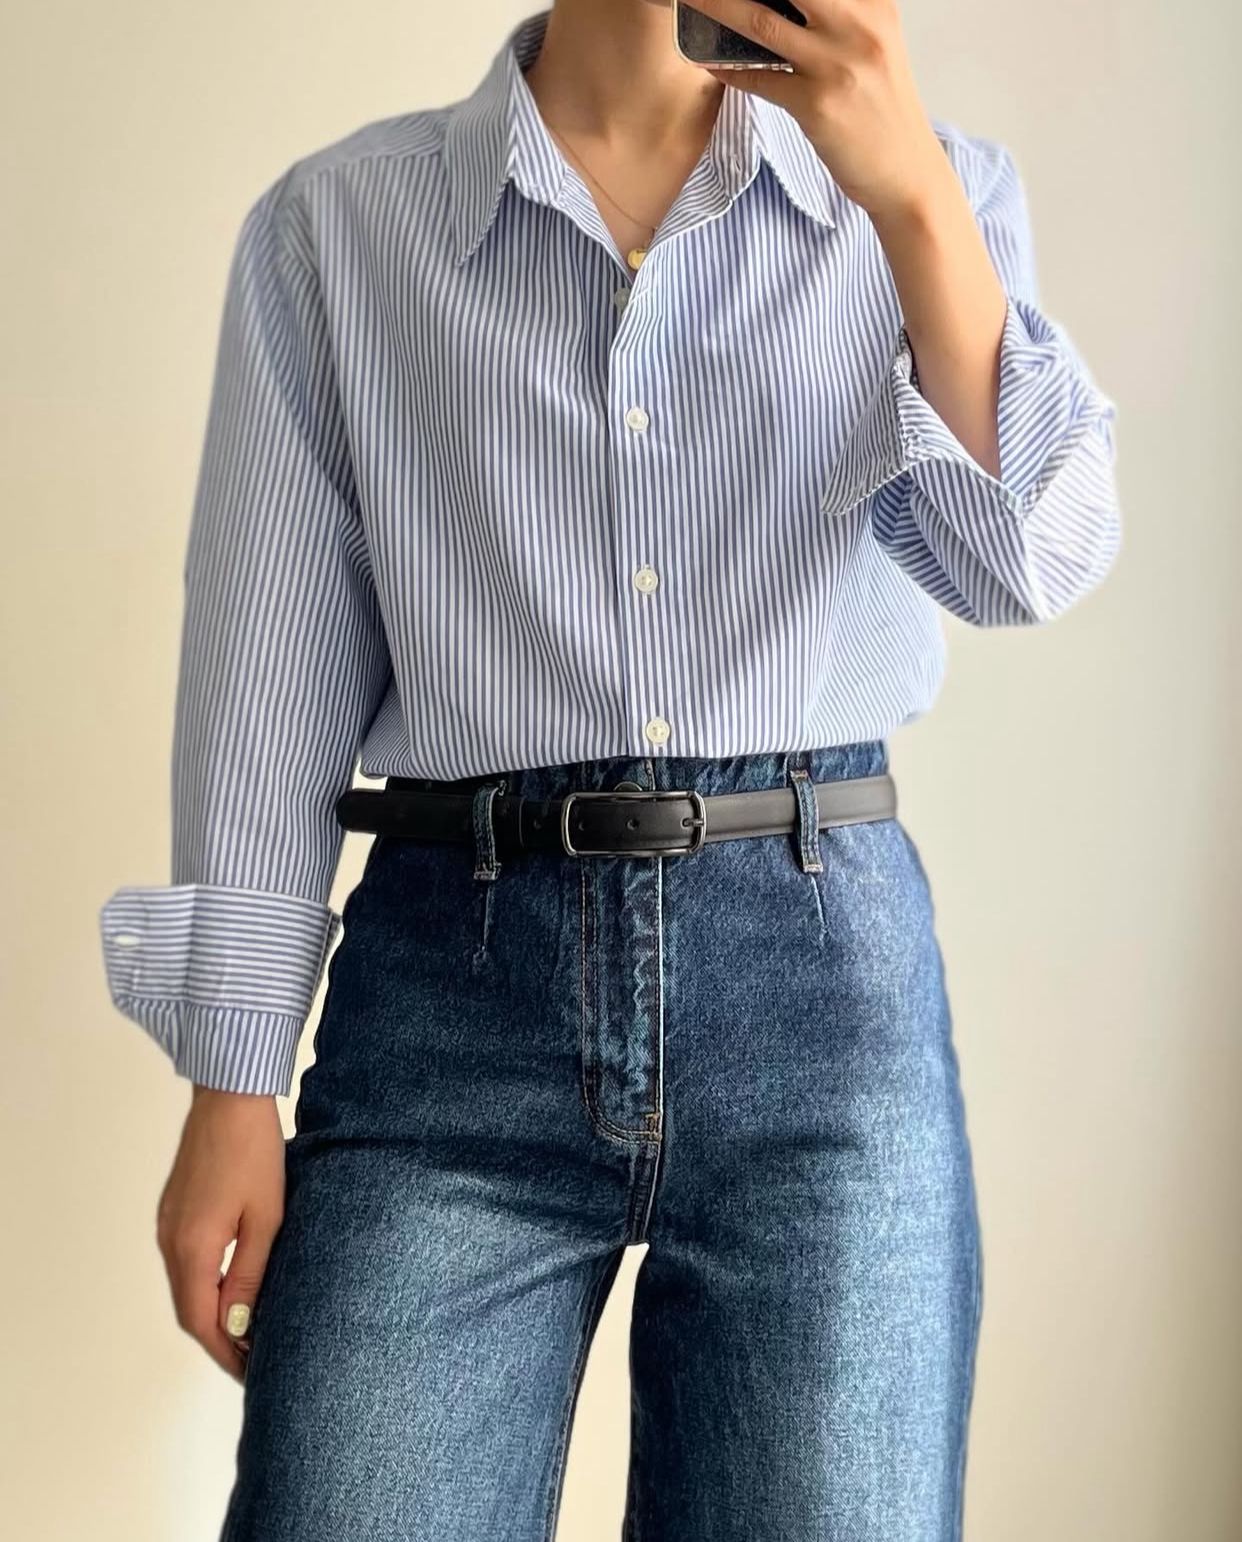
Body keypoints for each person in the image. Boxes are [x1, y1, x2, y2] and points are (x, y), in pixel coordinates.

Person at [97, 1, 1120, 1537]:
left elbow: (1023, 560)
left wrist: (906, 193)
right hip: (450, 992)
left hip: (818, 999)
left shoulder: (935, 189)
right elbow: (266, 678)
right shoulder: (340, 229)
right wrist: (232, 1081)